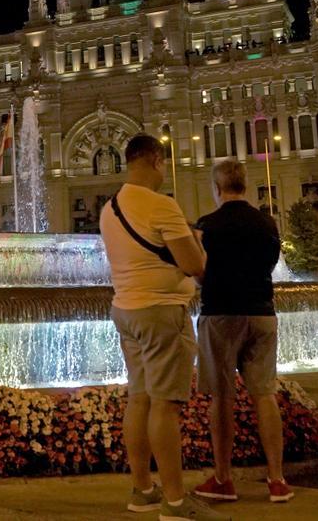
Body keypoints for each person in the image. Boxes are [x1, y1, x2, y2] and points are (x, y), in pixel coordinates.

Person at [100, 135, 227, 521]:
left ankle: (142, 490)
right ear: (156, 160)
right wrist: (198, 245)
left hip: (126, 310)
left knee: (138, 399)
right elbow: (194, 266)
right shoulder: (161, 205)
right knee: (165, 406)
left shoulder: (110, 208)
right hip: (162, 313)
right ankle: (175, 501)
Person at [193, 159, 294, 503]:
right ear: (245, 187)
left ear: (217, 188)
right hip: (262, 314)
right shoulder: (267, 223)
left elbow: (199, 271)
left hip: (221, 315)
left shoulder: (208, 225)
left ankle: (223, 479)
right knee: (264, 394)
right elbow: (269, 265)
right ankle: (277, 480)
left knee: (222, 398)